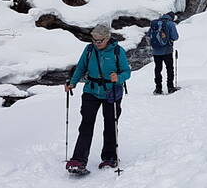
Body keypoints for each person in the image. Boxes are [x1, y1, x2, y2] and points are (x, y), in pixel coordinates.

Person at [65, 24, 131, 174]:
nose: (97, 43)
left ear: (107, 38)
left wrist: (119, 77)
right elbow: (81, 67)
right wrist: (73, 82)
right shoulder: (89, 50)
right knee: (86, 124)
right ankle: (78, 160)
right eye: (94, 40)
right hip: (91, 90)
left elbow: (127, 71)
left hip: (111, 92)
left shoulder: (117, 51)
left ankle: (109, 157)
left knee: (110, 124)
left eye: (100, 40)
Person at [147, 11, 179, 95]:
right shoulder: (170, 24)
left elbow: (148, 35)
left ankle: (158, 88)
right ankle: (170, 87)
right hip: (167, 50)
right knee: (169, 68)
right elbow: (175, 37)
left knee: (158, 69)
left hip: (156, 51)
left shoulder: (155, 23)